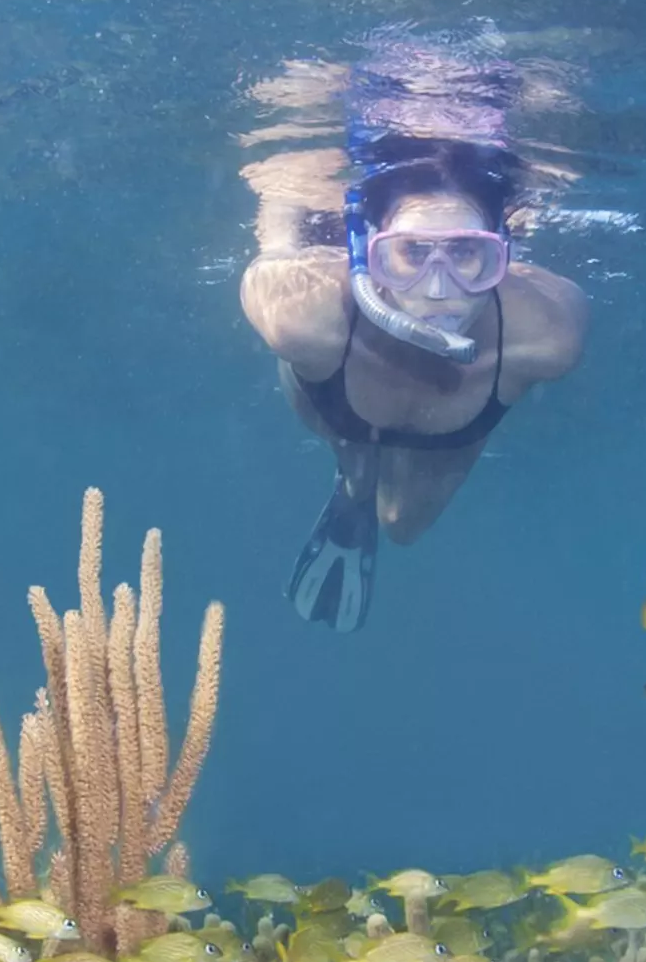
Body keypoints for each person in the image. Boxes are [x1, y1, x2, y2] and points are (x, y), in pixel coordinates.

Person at [241, 135, 589, 631]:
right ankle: (353, 477)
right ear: (368, 252)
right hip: (336, 400)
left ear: (501, 253)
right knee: (347, 440)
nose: (438, 287)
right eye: (411, 251)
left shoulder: (548, 338)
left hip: (454, 429)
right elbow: (276, 251)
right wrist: (281, 216)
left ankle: (359, 475)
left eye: (466, 252)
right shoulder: (302, 319)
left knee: (402, 525)